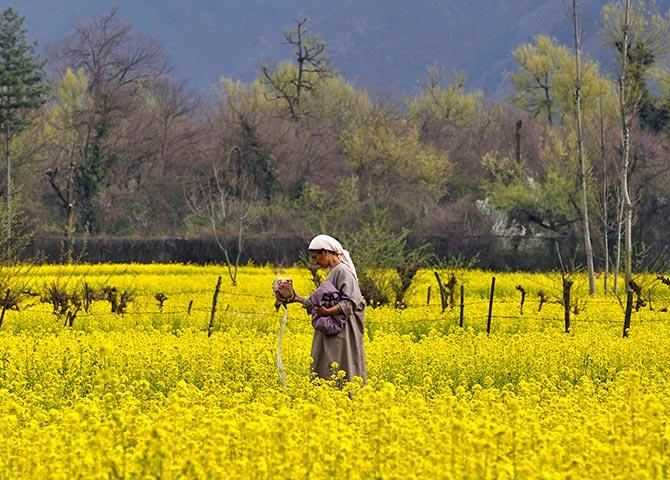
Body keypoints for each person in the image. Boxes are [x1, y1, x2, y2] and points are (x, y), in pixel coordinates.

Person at [290, 234, 367, 384]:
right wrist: (297, 298)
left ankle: (345, 398)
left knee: (341, 364)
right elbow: (323, 301)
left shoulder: (342, 272)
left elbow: (350, 302)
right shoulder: (334, 272)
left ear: (325, 252)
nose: (315, 262)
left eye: (315, 257)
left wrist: (327, 312)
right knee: (329, 365)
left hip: (342, 333)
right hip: (332, 332)